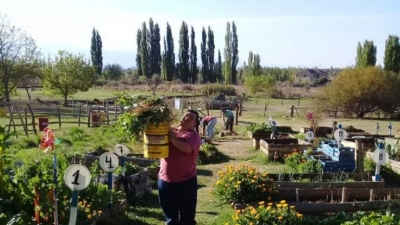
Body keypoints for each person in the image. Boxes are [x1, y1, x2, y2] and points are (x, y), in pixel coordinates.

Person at [158, 109, 202, 225]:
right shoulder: (170, 131)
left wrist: (172, 138)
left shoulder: (193, 136)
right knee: (170, 217)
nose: (187, 118)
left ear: (195, 124)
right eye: (185, 115)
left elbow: (187, 148)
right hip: (165, 179)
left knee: (187, 217)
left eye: (191, 118)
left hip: (186, 181)